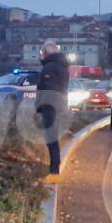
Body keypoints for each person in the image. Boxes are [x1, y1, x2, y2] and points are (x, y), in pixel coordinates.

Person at [36, 41, 69, 183]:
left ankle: (54, 172)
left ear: (47, 52)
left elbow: (48, 88)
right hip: (58, 105)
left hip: (50, 106)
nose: (41, 55)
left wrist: (41, 105)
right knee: (53, 138)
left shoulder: (50, 68)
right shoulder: (61, 66)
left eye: (42, 52)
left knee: (51, 138)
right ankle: (54, 168)